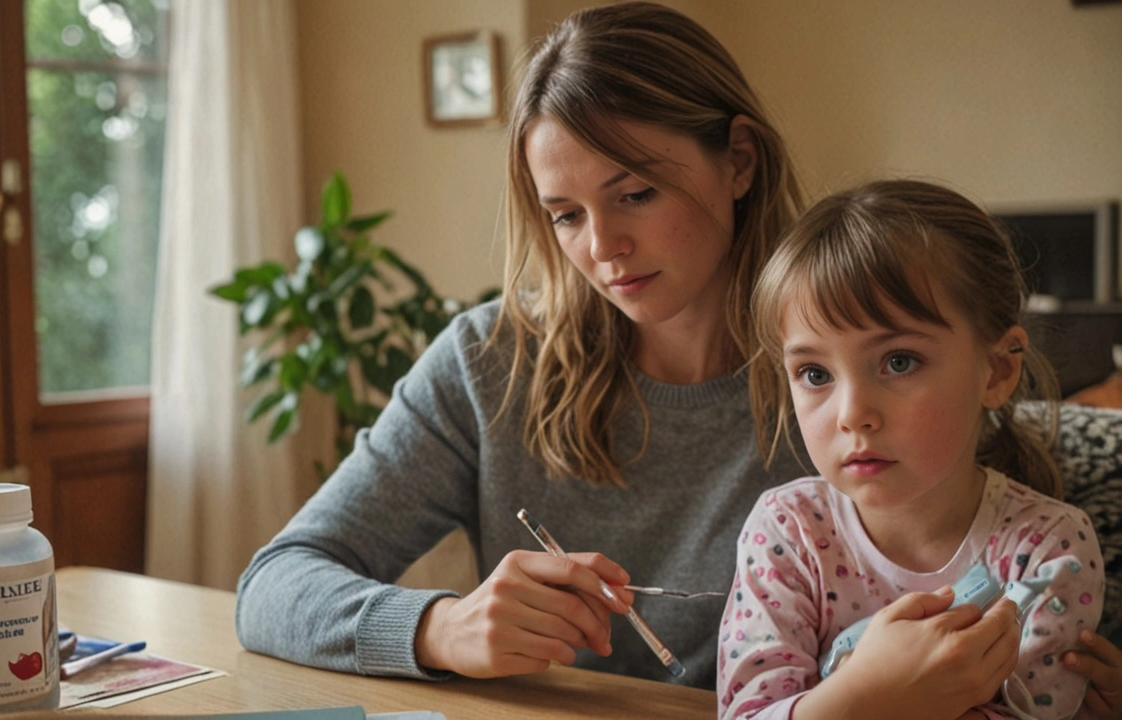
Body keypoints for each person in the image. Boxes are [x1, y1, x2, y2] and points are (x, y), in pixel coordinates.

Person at [235, 1, 1122, 703]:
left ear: (738, 160)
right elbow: (274, 586)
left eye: (636, 192)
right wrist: (443, 629)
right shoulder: (488, 362)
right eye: (567, 215)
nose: (603, 248)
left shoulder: (850, 379)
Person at [718, 179, 1106, 719]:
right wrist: (868, 697)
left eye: (899, 361)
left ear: (996, 370)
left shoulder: (1048, 551)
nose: (853, 414)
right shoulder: (787, 532)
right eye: (814, 373)